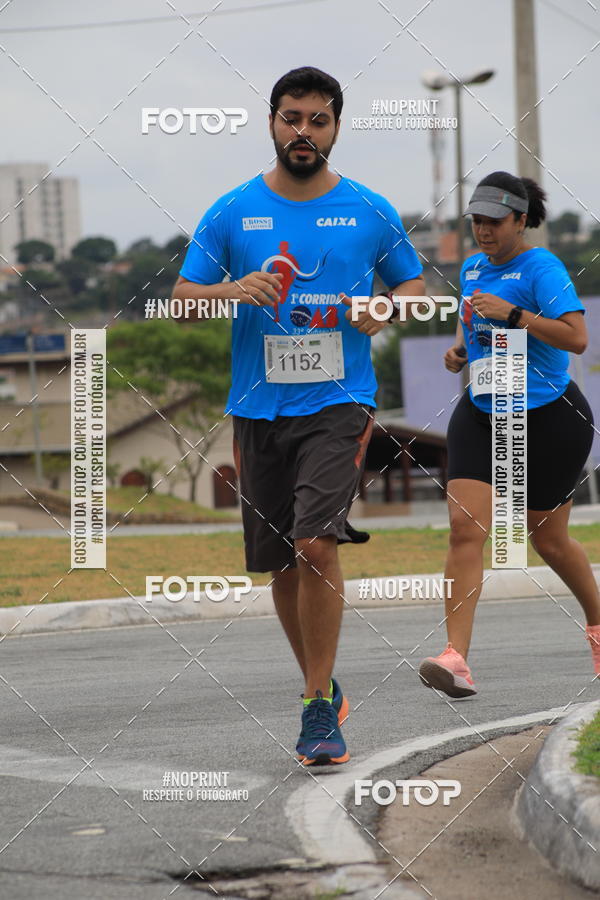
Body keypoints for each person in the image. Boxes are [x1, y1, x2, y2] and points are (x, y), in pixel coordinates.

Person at [172, 66, 425, 763]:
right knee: (282, 560)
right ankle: (322, 683)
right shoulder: (233, 210)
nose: (303, 131)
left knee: (315, 543)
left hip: (340, 401)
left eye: (318, 120)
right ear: (272, 123)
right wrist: (232, 289)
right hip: (258, 407)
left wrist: (387, 306)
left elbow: (414, 284)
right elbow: (183, 298)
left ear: (336, 127)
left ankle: (316, 705)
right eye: (292, 118)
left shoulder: (370, 209)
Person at [418, 171, 600, 698]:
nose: (483, 231)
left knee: (548, 539)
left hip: (549, 417)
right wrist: (460, 350)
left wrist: (515, 314)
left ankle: (597, 623)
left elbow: (577, 338)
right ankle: (455, 658)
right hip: (482, 411)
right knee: (464, 529)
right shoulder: (472, 267)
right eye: (477, 221)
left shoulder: (542, 268)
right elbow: (474, 324)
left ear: (521, 221)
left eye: (494, 222)